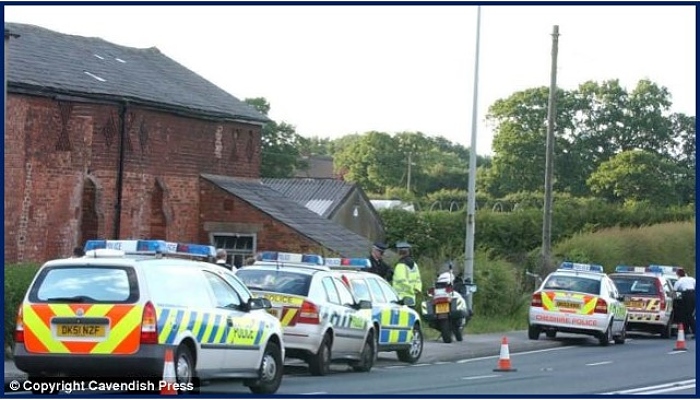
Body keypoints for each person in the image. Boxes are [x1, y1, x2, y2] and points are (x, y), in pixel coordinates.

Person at [392, 241, 422, 306]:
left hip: (401, 299)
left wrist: (410, 290)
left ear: (399, 252)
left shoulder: (400, 266)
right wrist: (416, 289)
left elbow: (402, 281)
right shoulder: (414, 265)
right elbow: (418, 279)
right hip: (412, 298)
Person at [673, 268, 696, 339]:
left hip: (686, 296)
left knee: (687, 315)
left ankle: (692, 331)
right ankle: (685, 332)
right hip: (693, 295)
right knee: (689, 314)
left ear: (678, 274)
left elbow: (675, 292)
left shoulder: (679, 281)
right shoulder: (691, 279)